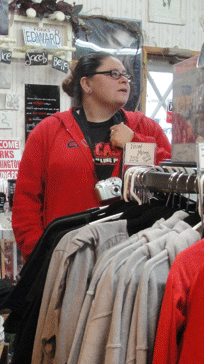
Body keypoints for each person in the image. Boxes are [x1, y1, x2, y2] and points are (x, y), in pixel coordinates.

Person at [12, 51, 171, 259]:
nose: (124, 80)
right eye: (114, 74)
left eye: (126, 75)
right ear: (87, 84)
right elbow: (26, 201)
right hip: (66, 257)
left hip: (131, 261)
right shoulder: (48, 131)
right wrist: (39, 255)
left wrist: (134, 142)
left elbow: (172, 179)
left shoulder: (145, 128)